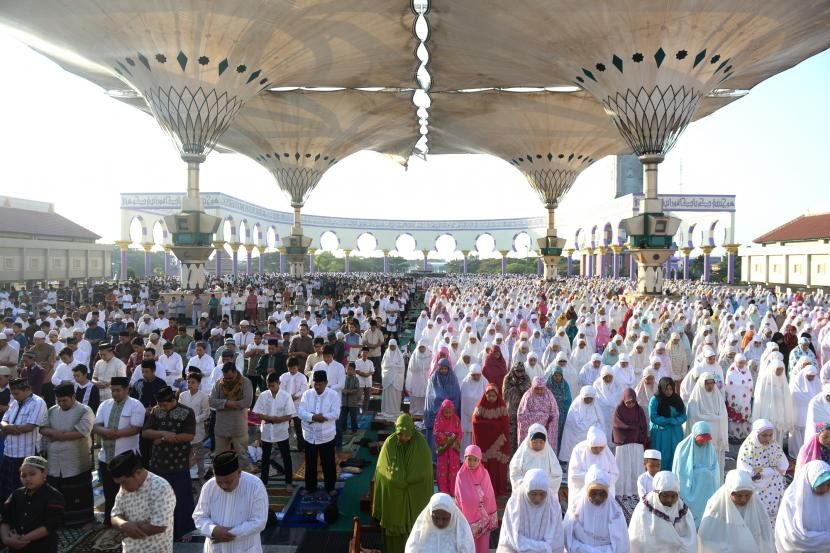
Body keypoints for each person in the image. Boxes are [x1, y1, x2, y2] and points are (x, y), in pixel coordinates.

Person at [141, 385, 197, 541]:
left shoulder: (186, 412)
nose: (162, 408)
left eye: (165, 405)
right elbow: (146, 432)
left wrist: (165, 439)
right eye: (160, 405)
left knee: (181, 497)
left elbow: (189, 435)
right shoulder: (156, 411)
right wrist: (163, 434)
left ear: (172, 400)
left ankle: (185, 529)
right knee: (160, 499)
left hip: (179, 462)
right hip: (159, 463)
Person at [373, 414, 434, 553]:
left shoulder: (421, 444)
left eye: (407, 435)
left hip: (415, 494)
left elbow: (426, 471)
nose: (404, 438)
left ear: (412, 431)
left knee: (415, 527)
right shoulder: (390, 443)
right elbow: (382, 469)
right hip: (395, 495)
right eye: (401, 434)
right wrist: (396, 480)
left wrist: (409, 480)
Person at [39, 383, 95, 528]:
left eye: (65, 400)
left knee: (79, 492)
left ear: (73, 397)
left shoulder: (84, 410)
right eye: (59, 401)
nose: (62, 403)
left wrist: (59, 435)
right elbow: (43, 428)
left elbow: (81, 432)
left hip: (76, 460)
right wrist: (57, 434)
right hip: (55, 460)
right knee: (57, 492)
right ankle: (58, 521)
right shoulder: (52, 410)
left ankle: (83, 521)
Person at [193, 450, 269, 553]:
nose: (223, 486)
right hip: (215, 549)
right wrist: (213, 530)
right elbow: (199, 516)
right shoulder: (209, 486)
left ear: (239, 473)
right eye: (219, 482)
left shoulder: (255, 486)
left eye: (228, 482)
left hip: (245, 548)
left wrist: (230, 533)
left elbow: (259, 521)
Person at [92, 376, 144, 526]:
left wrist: (114, 433)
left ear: (127, 389)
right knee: (109, 492)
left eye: (118, 390)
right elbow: (96, 426)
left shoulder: (135, 405)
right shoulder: (105, 405)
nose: (115, 393)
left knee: (131, 491)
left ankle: (133, 521)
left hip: (127, 458)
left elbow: (135, 428)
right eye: (112, 390)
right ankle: (109, 520)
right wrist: (107, 432)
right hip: (106, 457)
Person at [109, 451, 176, 553]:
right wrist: (123, 524)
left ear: (138, 473)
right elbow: (114, 516)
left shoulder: (161, 487)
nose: (122, 487)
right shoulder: (124, 488)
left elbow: (159, 526)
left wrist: (128, 530)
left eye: (124, 482)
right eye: (119, 483)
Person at [697, 469, 775, 553]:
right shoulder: (716, 507)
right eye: (739, 495)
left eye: (747, 495)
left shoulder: (756, 506)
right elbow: (707, 539)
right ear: (729, 492)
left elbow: (765, 535)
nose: (743, 499)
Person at [0, 456, 64, 553]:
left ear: (44, 473)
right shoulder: (16, 494)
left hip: (41, 548)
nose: (27, 478)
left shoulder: (54, 496)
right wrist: (6, 539)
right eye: (23, 475)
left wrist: (22, 539)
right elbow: (5, 519)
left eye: (32, 474)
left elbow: (49, 526)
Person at [0, 378, 48, 503]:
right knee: (6, 492)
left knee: (24, 491)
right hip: (9, 453)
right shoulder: (15, 402)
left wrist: (8, 428)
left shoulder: (38, 402)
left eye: (16, 394)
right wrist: (7, 427)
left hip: (25, 455)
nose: (14, 397)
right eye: (13, 394)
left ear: (27, 389)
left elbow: (30, 426)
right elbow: (3, 421)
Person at [563, 464, 629, 553]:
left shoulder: (615, 512)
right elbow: (568, 539)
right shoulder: (575, 509)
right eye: (593, 493)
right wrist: (584, 550)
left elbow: (621, 544)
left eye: (602, 494)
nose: (597, 498)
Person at [497, 467, 564, 553]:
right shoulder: (515, 504)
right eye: (533, 494)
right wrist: (543, 547)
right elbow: (510, 539)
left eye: (542, 494)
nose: (538, 499)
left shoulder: (553, 505)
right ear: (526, 490)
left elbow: (557, 541)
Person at [628, 471, 695, 553]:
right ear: (656, 493)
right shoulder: (643, 511)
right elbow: (639, 543)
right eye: (665, 495)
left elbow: (690, 540)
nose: (669, 500)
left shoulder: (682, 510)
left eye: (673, 496)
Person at [736, 418, 788, 523]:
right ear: (756, 434)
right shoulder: (748, 447)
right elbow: (744, 469)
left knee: (772, 515)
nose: (768, 438)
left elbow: (782, 461)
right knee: (757, 515)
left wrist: (777, 470)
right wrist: (765, 472)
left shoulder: (773, 444)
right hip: (757, 485)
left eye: (770, 435)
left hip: (773, 486)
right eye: (764, 435)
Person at [298, 370, 340, 495]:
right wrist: (313, 417)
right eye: (315, 384)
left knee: (328, 463)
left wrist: (323, 417)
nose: (317, 386)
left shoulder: (333, 395)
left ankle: (330, 487)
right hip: (310, 436)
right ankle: (310, 487)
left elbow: (336, 414)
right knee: (310, 462)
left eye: (320, 384)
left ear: (326, 383)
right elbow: (300, 412)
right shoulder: (307, 394)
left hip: (326, 436)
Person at [774, 459, 830, 552]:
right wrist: (825, 540)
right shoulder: (792, 500)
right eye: (821, 484)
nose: (825, 489)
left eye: (828, 485)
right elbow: (790, 536)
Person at [672, 420, 720, 523]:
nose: (704, 442)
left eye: (706, 440)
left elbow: (715, 470)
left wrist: (705, 474)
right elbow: (681, 473)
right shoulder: (682, 448)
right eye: (701, 440)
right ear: (694, 436)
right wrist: (703, 473)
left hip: (706, 489)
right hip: (690, 487)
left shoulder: (710, 448)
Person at [253, 372, 295, 488]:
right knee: (265, 457)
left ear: (279, 383)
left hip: (281, 431)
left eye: (273, 386)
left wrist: (276, 420)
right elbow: (258, 414)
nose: (271, 388)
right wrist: (271, 418)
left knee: (286, 457)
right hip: (267, 431)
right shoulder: (263, 395)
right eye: (269, 386)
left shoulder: (286, 396)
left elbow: (289, 416)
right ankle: (264, 482)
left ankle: (289, 482)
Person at [684, 372, 728, 481]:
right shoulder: (695, 398)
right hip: (702, 440)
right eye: (707, 383)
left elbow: (723, 415)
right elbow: (694, 417)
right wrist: (713, 418)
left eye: (712, 383)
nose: (710, 386)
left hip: (716, 437)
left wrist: (708, 417)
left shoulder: (718, 396)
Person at [454, 445, 498, 553]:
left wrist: (482, 509)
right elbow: (459, 496)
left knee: (482, 545)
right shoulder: (461, 475)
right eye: (469, 459)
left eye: (475, 460)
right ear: (464, 458)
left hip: (484, 517)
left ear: (480, 460)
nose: (472, 463)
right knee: (469, 544)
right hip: (467, 517)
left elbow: (489, 494)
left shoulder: (484, 473)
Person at [209, 362, 253, 468]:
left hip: (238, 426)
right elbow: (211, 401)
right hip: (222, 427)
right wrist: (227, 403)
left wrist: (232, 404)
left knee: (242, 457)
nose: (227, 380)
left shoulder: (245, 382)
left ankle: (243, 480)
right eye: (225, 378)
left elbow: (247, 402)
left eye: (230, 378)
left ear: (235, 372)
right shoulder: (219, 383)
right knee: (220, 458)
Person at [471, 384, 510, 497]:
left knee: (497, 465)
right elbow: (475, 422)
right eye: (489, 396)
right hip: (484, 442)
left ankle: (498, 490)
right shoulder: (481, 405)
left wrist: (490, 425)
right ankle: (484, 489)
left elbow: (505, 424)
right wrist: (493, 425)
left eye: (494, 396)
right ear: (485, 395)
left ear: (497, 396)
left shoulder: (502, 406)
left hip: (499, 442)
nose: (491, 398)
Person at [404, 492, 475, 553]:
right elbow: (411, 549)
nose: (440, 522)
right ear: (429, 514)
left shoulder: (460, 530)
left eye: (445, 519)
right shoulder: (421, 530)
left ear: (452, 515)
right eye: (435, 518)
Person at [611, 388, 649, 498]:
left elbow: (643, 425)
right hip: (623, 444)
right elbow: (617, 425)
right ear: (624, 400)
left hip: (636, 443)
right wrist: (632, 428)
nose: (630, 404)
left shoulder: (639, 410)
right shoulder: (619, 410)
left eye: (632, 402)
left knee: (636, 466)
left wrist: (637, 432)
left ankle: (636, 490)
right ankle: (623, 490)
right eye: (628, 402)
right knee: (623, 467)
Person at [567, 425, 619, 506]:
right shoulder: (579, 450)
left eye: (600, 447)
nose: (598, 450)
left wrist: (602, 480)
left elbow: (615, 473)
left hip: (603, 493)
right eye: (595, 448)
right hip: (582, 495)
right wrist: (593, 478)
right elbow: (574, 476)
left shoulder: (607, 452)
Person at [752, 356, 794, 448]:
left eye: (781, 370)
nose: (779, 372)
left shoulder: (783, 380)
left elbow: (787, 399)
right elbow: (759, 399)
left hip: (779, 412)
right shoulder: (764, 380)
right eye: (777, 369)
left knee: (778, 434)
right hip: (767, 412)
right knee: (767, 433)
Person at [509, 423, 562, 493]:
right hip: (525, 492)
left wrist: (544, 485)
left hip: (545, 493)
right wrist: (527, 484)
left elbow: (557, 475)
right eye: (535, 442)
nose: (538, 444)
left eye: (541, 442)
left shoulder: (550, 456)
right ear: (529, 440)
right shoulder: (521, 454)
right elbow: (515, 473)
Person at [425, 358, 461, 457]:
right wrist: (442, 406)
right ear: (438, 368)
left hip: (450, 414)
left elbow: (456, 395)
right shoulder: (433, 378)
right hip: (436, 415)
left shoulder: (453, 378)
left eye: (446, 368)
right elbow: (431, 397)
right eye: (442, 368)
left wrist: (448, 407)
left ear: (449, 368)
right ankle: (433, 459)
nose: (444, 371)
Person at [179, 371, 210, 484]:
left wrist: (195, 419)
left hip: (197, 429)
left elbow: (206, 413)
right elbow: (179, 410)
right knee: (185, 454)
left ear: (198, 384)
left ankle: (201, 476)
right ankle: (184, 476)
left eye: (193, 382)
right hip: (184, 429)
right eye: (188, 382)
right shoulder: (183, 395)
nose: (190, 384)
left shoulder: (204, 396)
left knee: (199, 454)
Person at [648, 377, 686, 470]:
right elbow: (653, 416)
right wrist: (668, 421)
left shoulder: (677, 399)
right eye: (666, 389)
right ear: (662, 388)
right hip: (660, 432)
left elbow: (684, 415)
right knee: (662, 455)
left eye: (671, 389)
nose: (669, 392)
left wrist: (675, 421)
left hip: (675, 432)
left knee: (675, 454)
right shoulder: (655, 400)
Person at [558, 385, 602, 462]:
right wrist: (590, 426)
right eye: (586, 398)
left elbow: (600, 421)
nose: (588, 400)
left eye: (590, 399)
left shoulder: (595, 405)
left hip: (591, 434)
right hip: (576, 435)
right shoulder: (575, 406)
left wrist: (593, 427)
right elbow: (573, 423)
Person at [517, 375, 559, 452]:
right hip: (531, 431)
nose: (539, 391)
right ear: (533, 387)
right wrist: (544, 417)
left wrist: (550, 420)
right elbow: (522, 415)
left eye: (541, 389)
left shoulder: (549, 396)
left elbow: (555, 413)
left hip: (547, 429)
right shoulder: (527, 396)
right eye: (537, 389)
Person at [790, 364, 821, 456]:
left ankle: (808, 453)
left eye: (813, 376)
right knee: (798, 432)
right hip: (798, 412)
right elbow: (794, 395)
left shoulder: (817, 383)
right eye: (809, 376)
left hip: (811, 414)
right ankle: (797, 453)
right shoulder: (797, 382)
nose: (811, 378)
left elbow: (819, 397)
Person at [435, 398, 462, 495]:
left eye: (449, 412)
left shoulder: (456, 420)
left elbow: (459, 433)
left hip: (453, 451)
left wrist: (454, 439)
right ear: (442, 411)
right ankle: (443, 491)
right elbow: (436, 433)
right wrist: (448, 438)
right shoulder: (438, 420)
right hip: (443, 452)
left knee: (453, 470)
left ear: (453, 411)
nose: (448, 414)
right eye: (445, 412)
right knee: (443, 470)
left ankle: (453, 491)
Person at [459, 365, 488, 455]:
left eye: (478, 375)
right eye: (473, 375)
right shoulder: (465, 382)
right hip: (466, 416)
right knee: (467, 437)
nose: (476, 377)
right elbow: (462, 399)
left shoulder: (485, 382)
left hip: (480, 416)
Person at [545, 361, 572, 452]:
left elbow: (568, 400)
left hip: (561, 415)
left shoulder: (565, 385)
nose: (557, 377)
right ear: (552, 375)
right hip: (549, 415)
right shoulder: (547, 385)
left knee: (560, 434)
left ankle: (559, 453)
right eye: (555, 375)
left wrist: (561, 409)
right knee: (549, 434)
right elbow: (543, 399)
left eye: (559, 375)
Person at [380, 339, 405, 416]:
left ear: (396, 346)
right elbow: (383, 366)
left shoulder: (399, 355)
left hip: (396, 380)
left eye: (393, 346)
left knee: (395, 395)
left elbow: (402, 367)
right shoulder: (386, 355)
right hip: (387, 379)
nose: (392, 347)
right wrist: (391, 367)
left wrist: (393, 367)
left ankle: (395, 411)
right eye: (391, 346)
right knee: (387, 396)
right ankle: (386, 411)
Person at [339, 362, 360, 433]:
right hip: (344, 402)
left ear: (354, 370)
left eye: (351, 369)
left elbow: (357, 389)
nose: (349, 371)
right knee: (343, 417)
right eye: (348, 369)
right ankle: (343, 430)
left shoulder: (356, 379)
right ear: (345, 369)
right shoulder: (342, 378)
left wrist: (348, 391)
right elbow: (340, 387)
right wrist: (343, 390)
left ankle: (354, 430)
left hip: (352, 402)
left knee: (353, 417)